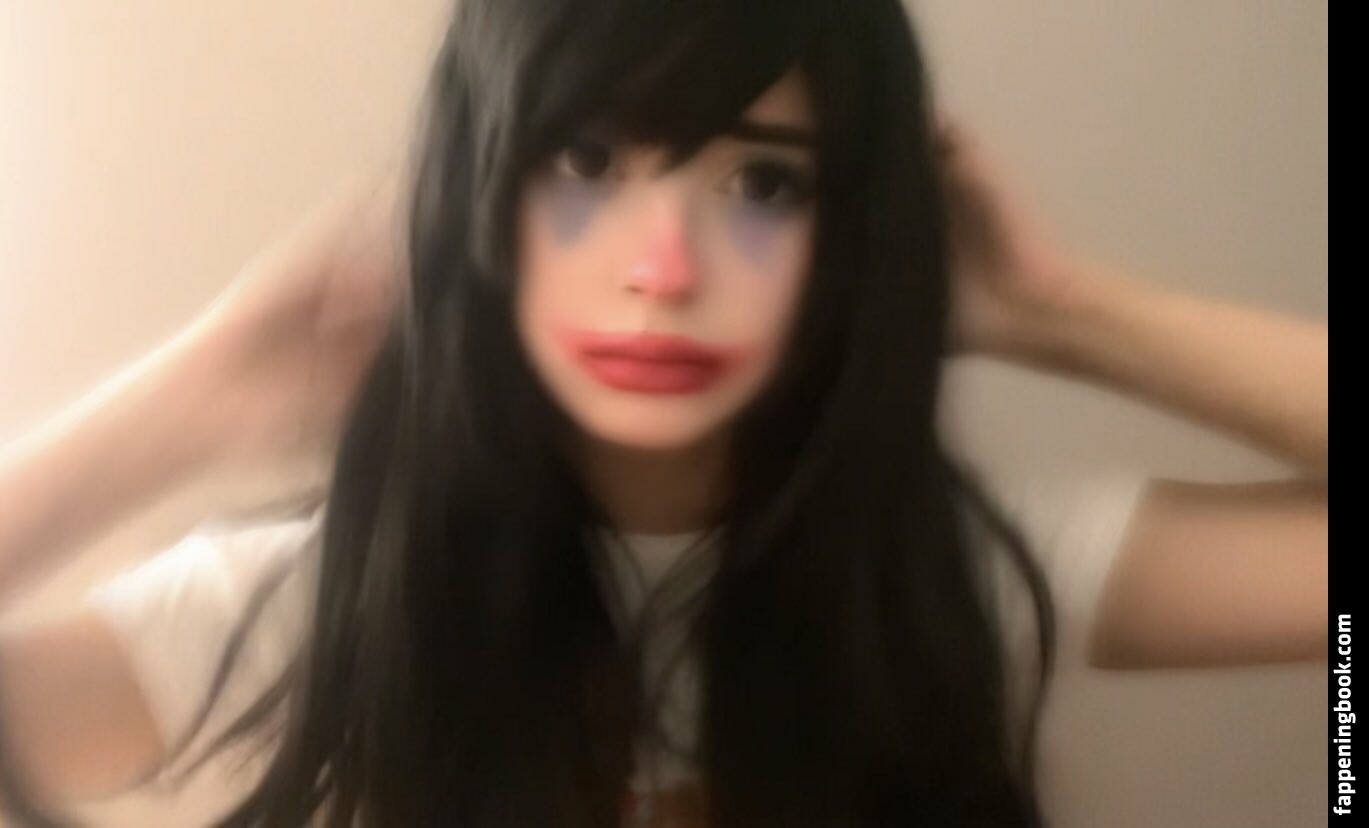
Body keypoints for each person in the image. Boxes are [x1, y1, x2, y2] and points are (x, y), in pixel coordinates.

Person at [0, 1, 1328, 825]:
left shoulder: (945, 572)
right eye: (584, 161)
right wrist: (199, 399)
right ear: (481, 199)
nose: (664, 269)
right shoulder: (335, 595)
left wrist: (1065, 312)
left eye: (763, 185)